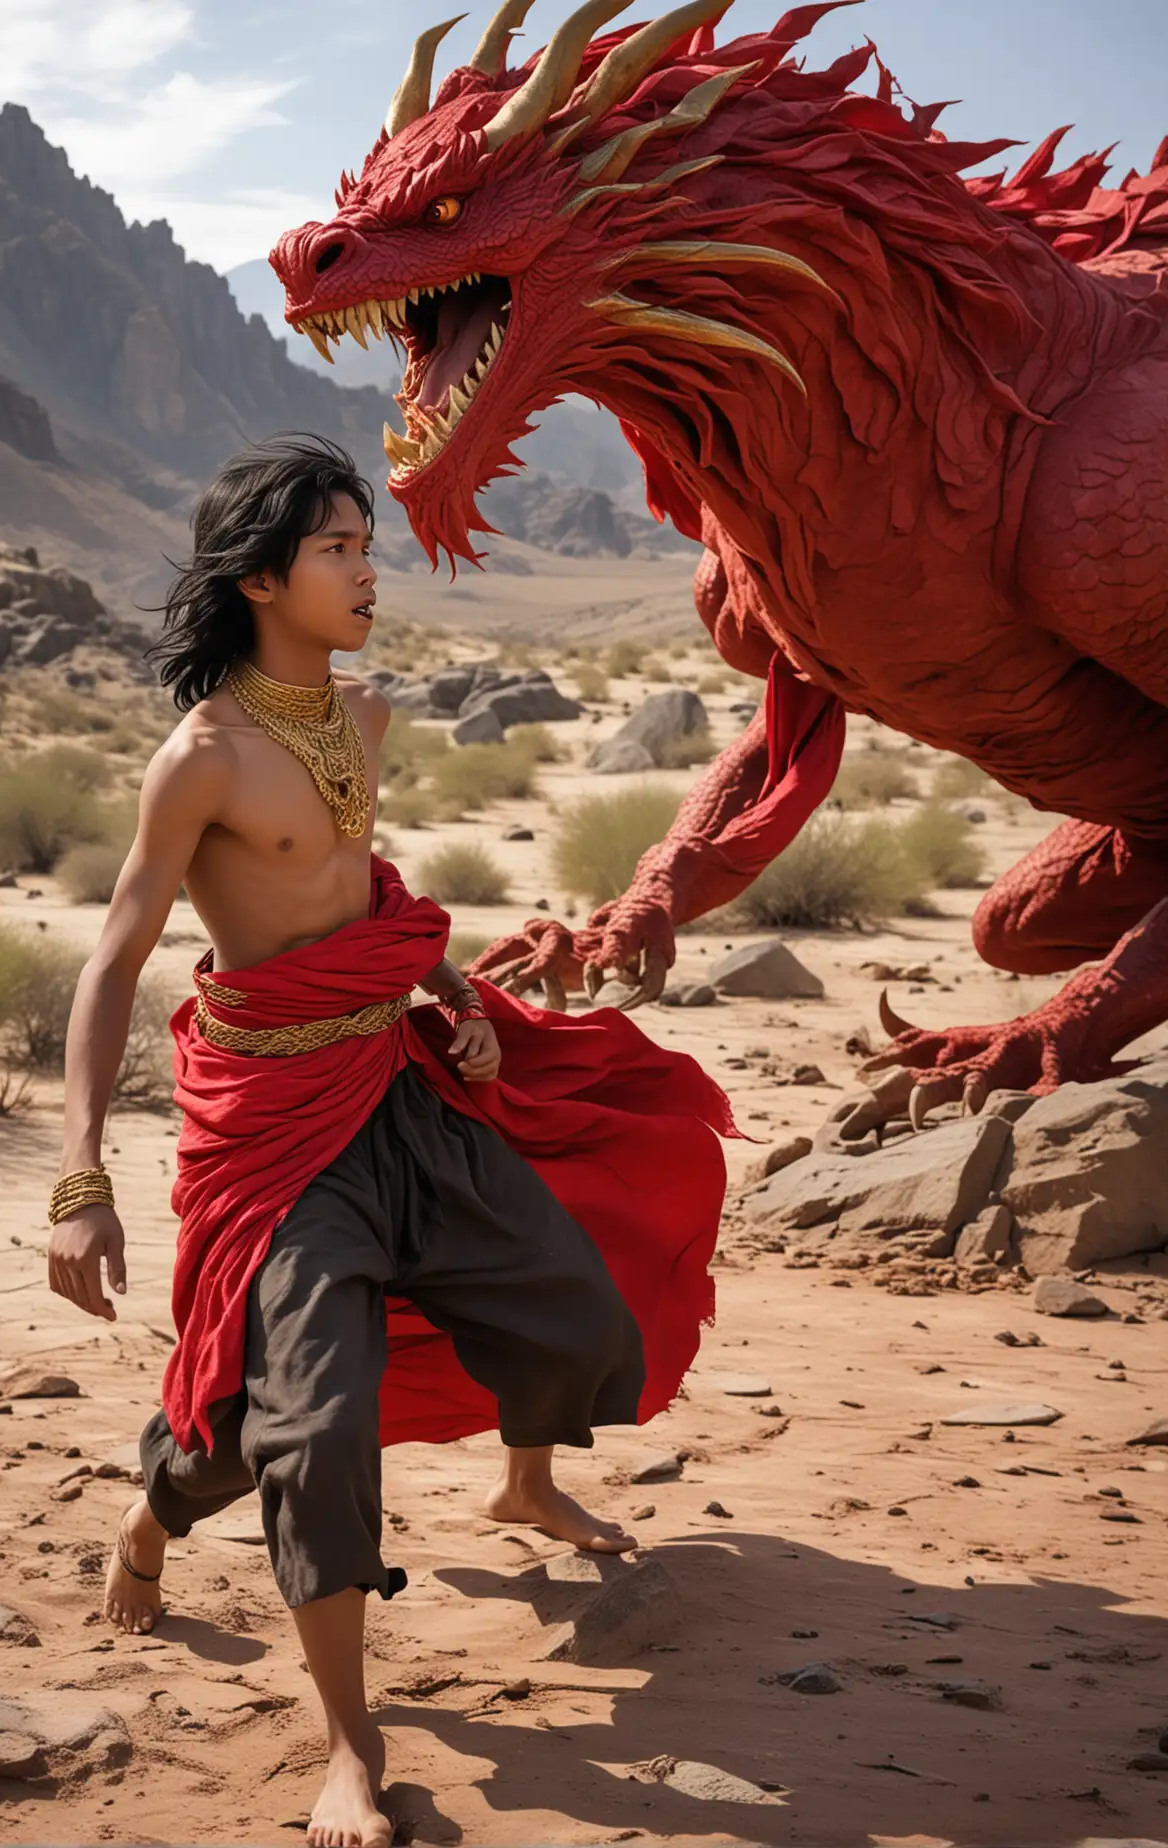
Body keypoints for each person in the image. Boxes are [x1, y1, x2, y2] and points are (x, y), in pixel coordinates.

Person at [46, 434, 735, 1848]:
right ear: (259, 581)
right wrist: (80, 1182)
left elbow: (365, 887)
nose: (372, 571)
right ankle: (343, 1733)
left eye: (370, 543)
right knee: (301, 1431)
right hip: (277, 1146)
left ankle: (523, 1483)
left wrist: (448, 991)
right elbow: (113, 962)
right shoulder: (199, 762)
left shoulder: (358, 716)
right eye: (341, 551)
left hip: (396, 1092)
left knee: (570, 1307)